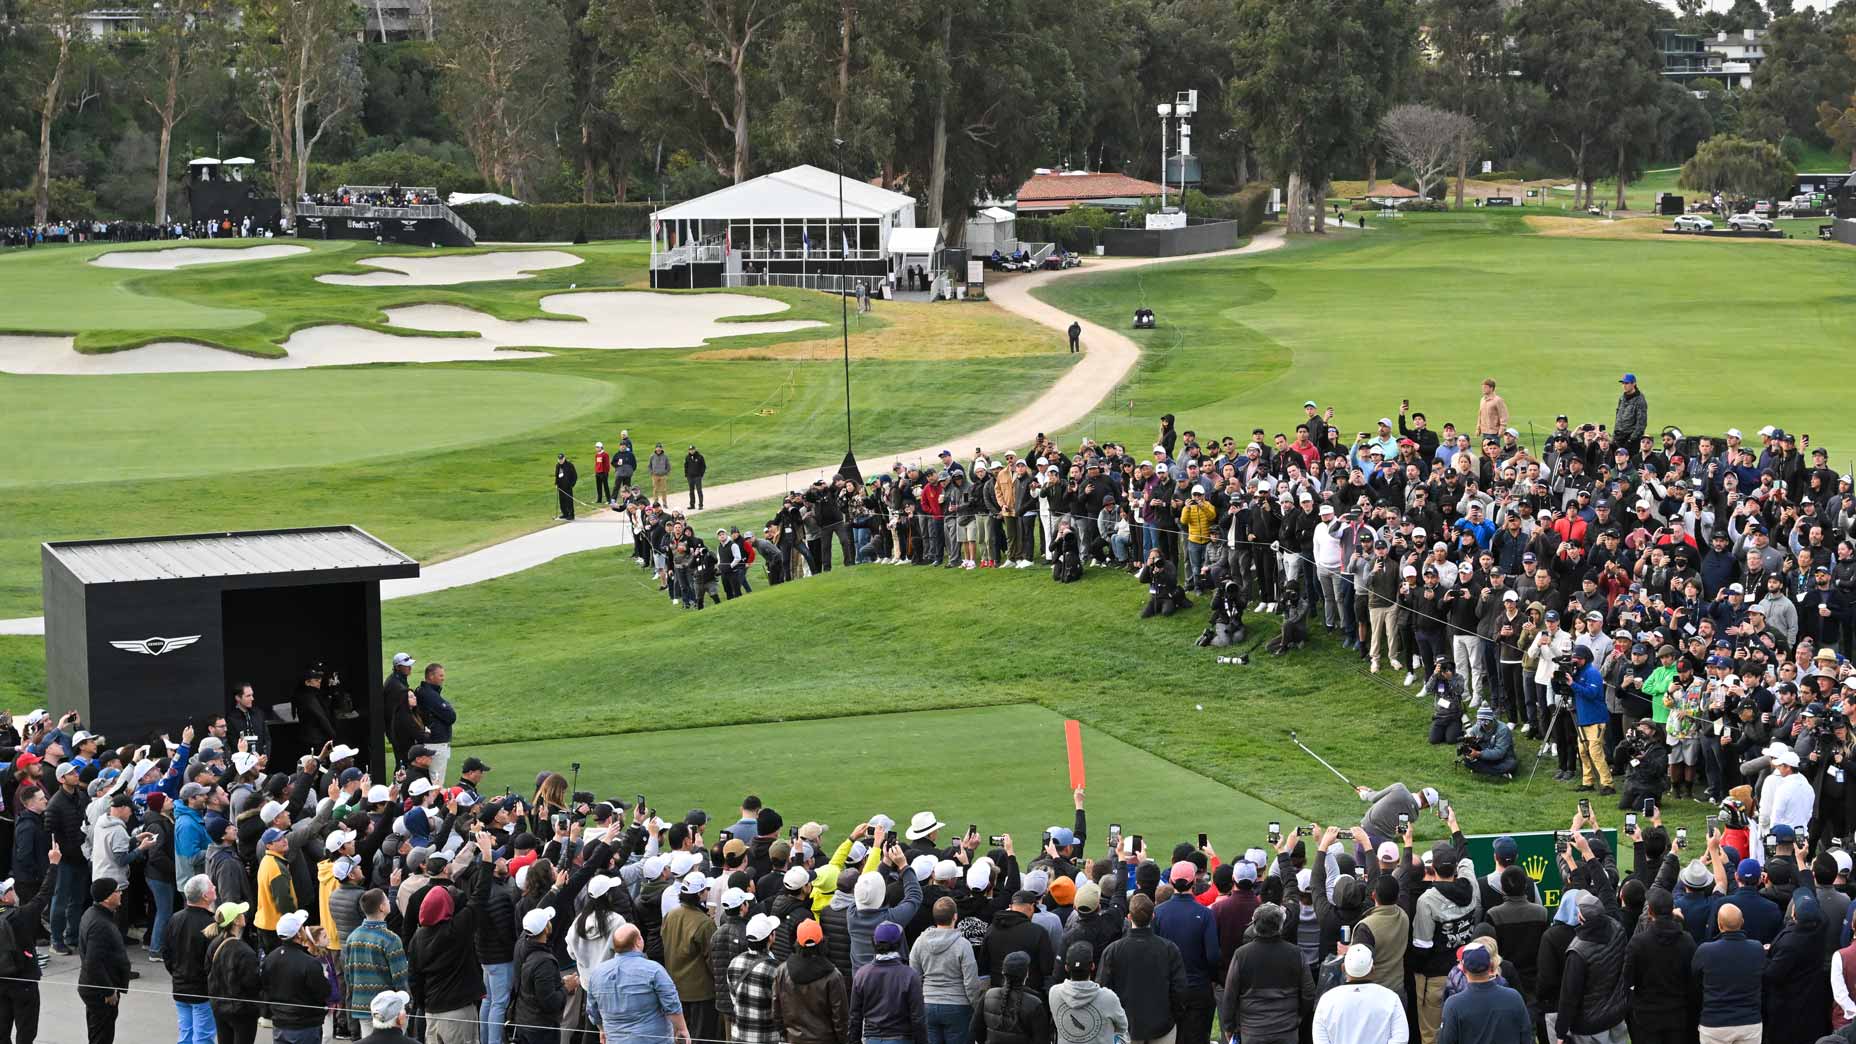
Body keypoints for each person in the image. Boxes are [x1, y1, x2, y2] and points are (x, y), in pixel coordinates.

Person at [1096, 893, 1185, 1044]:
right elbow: (1180, 990)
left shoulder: (1113, 951)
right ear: (1153, 916)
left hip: (1131, 1026)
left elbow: (1102, 988)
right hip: (1157, 1025)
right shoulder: (1169, 949)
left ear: (1129, 918)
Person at [1219, 902, 1312, 1044]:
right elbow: (1309, 993)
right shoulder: (1296, 953)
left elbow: (1230, 995)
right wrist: (1298, 1016)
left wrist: (1228, 1026)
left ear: (1254, 925)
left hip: (1252, 1032)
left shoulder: (1242, 955)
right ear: (1281, 925)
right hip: (1286, 1030)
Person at [589, 923, 693, 1044]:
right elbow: (671, 1004)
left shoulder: (597, 973)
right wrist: (682, 1029)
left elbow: (592, 1010)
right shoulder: (654, 970)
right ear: (638, 941)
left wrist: (602, 1029)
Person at [1153, 860, 1219, 1044]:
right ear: (1194, 883)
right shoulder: (1205, 914)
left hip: (1169, 990)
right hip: (1197, 989)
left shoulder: (1158, 913)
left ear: (1172, 883)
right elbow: (1213, 956)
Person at [1552, 892, 1627, 1044]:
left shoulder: (1578, 951)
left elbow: (1569, 995)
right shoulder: (1618, 928)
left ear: (1580, 918)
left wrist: (1560, 1032)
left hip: (1590, 1025)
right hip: (1616, 1014)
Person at [910, 897, 980, 1044]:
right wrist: (976, 1005)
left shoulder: (920, 942)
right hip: (958, 1005)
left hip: (928, 1002)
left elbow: (914, 976)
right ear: (955, 916)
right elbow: (970, 982)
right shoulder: (963, 945)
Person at [343, 888, 409, 1040]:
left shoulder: (353, 937)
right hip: (389, 1009)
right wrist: (406, 1002)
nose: (388, 902)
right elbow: (400, 978)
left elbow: (349, 977)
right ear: (382, 907)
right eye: (386, 899)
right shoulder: (390, 939)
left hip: (362, 1005)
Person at [1691, 904, 1763, 1044]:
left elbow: (1694, 979)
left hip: (1714, 1024)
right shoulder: (1757, 948)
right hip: (1749, 1023)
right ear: (1742, 922)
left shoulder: (1705, 951)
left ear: (1719, 924)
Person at [1310, 943, 1406, 1044]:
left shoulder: (1327, 1000)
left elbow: (1320, 1040)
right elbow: (1401, 1038)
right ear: (1373, 969)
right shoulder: (1391, 998)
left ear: (1343, 968)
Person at [772, 919, 849, 1044]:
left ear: (798, 943)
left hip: (794, 1039)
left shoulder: (782, 971)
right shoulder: (833, 975)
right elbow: (840, 1017)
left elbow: (776, 1012)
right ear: (822, 942)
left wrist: (785, 1035)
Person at [1436, 942, 1528, 1044]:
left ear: (1464, 969)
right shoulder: (1514, 997)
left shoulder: (1453, 1004)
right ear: (1491, 966)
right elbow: (1526, 1037)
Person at [848, 920, 924, 1044]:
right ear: (899, 944)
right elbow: (918, 1018)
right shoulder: (909, 975)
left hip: (872, 1038)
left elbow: (855, 1017)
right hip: (902, 1038)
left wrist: (854, 1041)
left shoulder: (862, 975)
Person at [166, 874, 218, 1044]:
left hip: (180, 987)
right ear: (204, 896)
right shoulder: (210, 925)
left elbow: (166, 952)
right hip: (202, 990)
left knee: (186, 1035)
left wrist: (176, 972)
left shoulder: (175, 918)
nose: (215, 888)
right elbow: (213, 961)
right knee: (203, 1037)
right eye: (211, 886)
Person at [79, 878, 130, 1044]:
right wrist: (108, 990)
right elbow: (93, 962)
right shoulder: (100, 923)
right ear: (107, 898)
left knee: (99, 1034)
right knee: (102, 1037)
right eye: (117, 891)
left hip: (95, 987)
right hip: (100, 992)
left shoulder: (95, 914)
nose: (120, 893)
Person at [206, 900, 262, 1044]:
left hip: (220, 1007)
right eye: (241, 914)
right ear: (236, 921)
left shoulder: (214, 944)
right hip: (242, 1012)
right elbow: (253, 983)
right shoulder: (245, 951)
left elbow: (207, 971)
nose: (244, 915)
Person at [513, 906, 572, 1043]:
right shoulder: (544, 962)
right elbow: (550, 1002)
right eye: (548, 921)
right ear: (545, 929)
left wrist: (560, 982)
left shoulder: (522, 944)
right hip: (540, 1029)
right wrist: (566, 987)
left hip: (525, 1020)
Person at [969, 951, 1046, 1044]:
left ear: (1003, 972)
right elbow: (1041, 1039)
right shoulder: (1034, 1003)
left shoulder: (988, 995)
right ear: (1026, 974)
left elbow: (975, 1029)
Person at [414, 662, 458, 786]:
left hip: (432, 742)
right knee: (436, 781)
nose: (443, 678)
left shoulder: (425, 692)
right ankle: (434, 804)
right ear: (431, 676)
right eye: (440, 675)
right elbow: (450, 716)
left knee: (431, 779)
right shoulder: (429, 694)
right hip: (436, 744)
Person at [1614, 375, 1647, 455]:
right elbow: (1618, 416)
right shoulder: (1622, 397)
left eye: (1626, 383)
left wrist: (1631, 440)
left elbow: (1641, 423)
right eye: (1623, 383)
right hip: (1619, 437)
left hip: (1630, 440)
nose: (1624, 386)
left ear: (1634, 384)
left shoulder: (1640, 400)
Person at [556, 453, 579, 521]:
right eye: (559, 459)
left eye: (561, 459)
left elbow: (575, 476)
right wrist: (556, 483)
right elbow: (556, 475)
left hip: (568, 487)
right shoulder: (558, 466)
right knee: (562, 501)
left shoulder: (569, 465)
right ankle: (565, 513)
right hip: (561, 487)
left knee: (569, 501)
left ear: (564, 458)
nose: (560, 461)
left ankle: (571, 515)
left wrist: (572, 484)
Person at [685, 445, 707, 510]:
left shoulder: (700, 457)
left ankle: (700, 505)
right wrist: (686, 475)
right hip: (690, 477)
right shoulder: (687, 457)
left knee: (699, 490)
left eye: (692, 449)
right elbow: (686, 466)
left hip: (697, 477)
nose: (691, 451)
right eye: (690, 450)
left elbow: (703, 466)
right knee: (691, 491)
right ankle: (692, 505)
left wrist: (701, 475)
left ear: (695, 450)